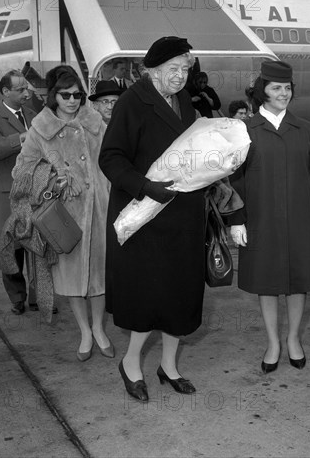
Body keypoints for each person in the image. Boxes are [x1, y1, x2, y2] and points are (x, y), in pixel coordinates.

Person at [99, 36, 203, 402]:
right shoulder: (133, 102)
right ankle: (130, 364)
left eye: (185, 70)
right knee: (148, 298)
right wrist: (144, 186)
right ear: (151, 70)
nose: (179, 77)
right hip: (145, 218)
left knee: (180, 295)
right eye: (172, 70)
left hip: (184, 215)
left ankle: (169, 366)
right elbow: (110, 158)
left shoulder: (185, 100)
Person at [228, 60, 310, 373]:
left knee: (299, 281)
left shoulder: (306, 130)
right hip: (261, 220)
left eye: (287, 88)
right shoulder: (245, 131)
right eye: (276, 88)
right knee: (267, 281)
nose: (283, 93)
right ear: (263, 92)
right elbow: (235, 180)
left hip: (300, 219)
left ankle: (293, 340)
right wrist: (236, 219)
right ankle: (273, 342)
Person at [12, 65, 113, 361]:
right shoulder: (41, 129)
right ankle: (84, 331)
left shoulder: (96, 123)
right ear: (53, 95)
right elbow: (21, 170)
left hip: (101, 210)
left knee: (99, 275)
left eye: (77, 94)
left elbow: (114, 158)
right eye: (65, 94)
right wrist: (54, 174)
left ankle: (99, 329)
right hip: (63, 217)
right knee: (72, 277)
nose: (72, 100)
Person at [0, 69, 40, 315]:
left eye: (26, 88)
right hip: (7, 196)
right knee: (10, 250)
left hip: (34, 194)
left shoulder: (33, 114)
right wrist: (23, 137)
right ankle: (17, 298)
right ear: (5, 92)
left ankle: (38, 297)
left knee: (36, 249)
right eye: (20, 89)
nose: (27, 93)